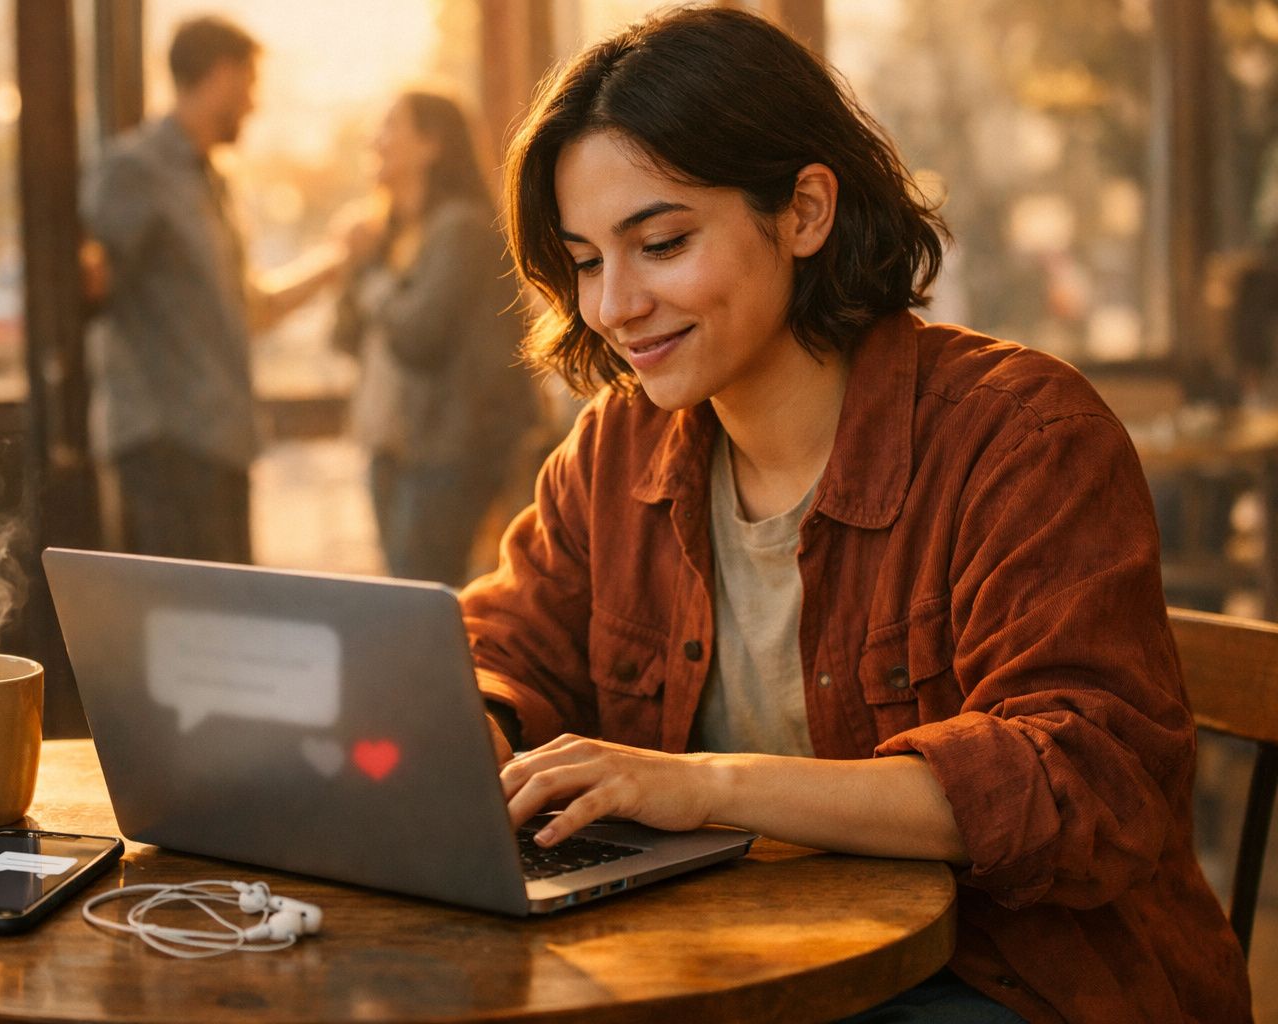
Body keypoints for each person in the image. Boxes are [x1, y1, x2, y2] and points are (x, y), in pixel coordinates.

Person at [461, 8, 1250, 1022]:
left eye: (660, 242)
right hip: (742, 959)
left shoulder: (1021, 437)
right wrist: (477, 726)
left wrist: (706, 786)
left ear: (805, 211)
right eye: (585, 260)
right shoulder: (620, 451)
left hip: (1011, 974)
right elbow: (509, 638)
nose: (613, 306)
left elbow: (1080, 778)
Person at [83, 16, 341, 564]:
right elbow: (88, 286)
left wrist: (335, 262)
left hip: (218, 447)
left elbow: (251, 309)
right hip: (166, 450)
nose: (253, 104)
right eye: (250, 85)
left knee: (223, 633)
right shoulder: (136, 170)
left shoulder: (212, 182)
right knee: (183, 634)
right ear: (221, 76)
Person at [331, 91, 540, 585]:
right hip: (390, 446)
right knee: (408, 593)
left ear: (430, 144)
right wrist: (357, 264)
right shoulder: (390, 234)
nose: (375, 142)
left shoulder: (460, 229)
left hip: (446, 449)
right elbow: (344, 337)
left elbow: (420, 335)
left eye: (390, 128)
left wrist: (370, 281)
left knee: (426, 594)